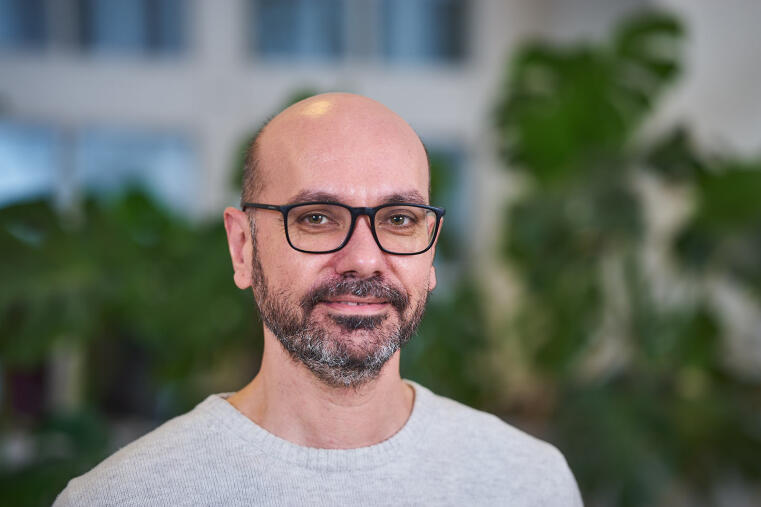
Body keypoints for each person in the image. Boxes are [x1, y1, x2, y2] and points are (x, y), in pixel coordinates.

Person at [55, 93, 582, 506]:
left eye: (399, 219)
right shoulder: (123, 498)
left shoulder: (530, 485)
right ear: (242, 248)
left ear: (431, 250)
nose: (364, 259)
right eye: (316, 218)